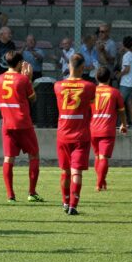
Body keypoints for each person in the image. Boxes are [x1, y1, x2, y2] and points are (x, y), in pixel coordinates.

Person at [0, 51, 43, 203]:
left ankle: (10, 195)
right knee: (34, 155)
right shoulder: (23, 80)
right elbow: (33, 99)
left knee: (9, 158)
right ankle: (31, 192)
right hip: (23, 123)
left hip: (7, 123)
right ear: (20, 63)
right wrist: (28, 79)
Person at [53, 53, 96, 215]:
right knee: (76, 171)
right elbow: (91, 108)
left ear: (68, 66)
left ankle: (64, 202)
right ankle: (73, 205)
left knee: (65, 171)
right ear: (83, 68)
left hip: (63, 133)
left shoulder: (57, 86)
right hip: (81, 134)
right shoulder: (89, 86)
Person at [90, 66, 127, 191]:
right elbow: (121, 111)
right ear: (110, 78)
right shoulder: (115, 92)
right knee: (103, 157)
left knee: (97, 157)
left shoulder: (92, 92)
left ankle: (102, 180)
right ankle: (99, 184)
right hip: (107, 129)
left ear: (96, 78)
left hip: (93, 129)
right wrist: (123, 124)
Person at [117, 36, 132, 128]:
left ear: (123, 44)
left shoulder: (126, 56)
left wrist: (120, 74)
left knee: (119, 102)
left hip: (125, 83)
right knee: (130, 102)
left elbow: (126, 69)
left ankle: (121, 122)